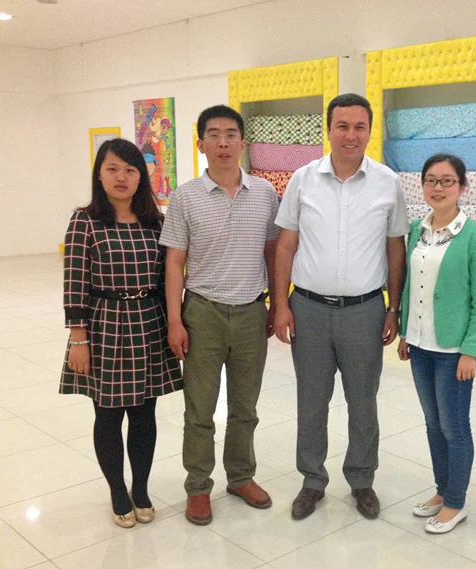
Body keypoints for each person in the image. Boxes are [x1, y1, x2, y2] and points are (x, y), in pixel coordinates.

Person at [273, 93, 410, 520]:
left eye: (359, 127)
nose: (351, 135)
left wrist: (393, 309)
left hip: (364, 312)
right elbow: (285, 246)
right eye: (342, 126)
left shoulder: (388, 182)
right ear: (328, 129)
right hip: (308, 310)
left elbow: (396, 249)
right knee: (311, 401)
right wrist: (280, 305)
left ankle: (362, 479)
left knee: (363, 401)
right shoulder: (302, 180)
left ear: (369, 130)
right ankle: (312, 480)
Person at [160, 105, 279, 526]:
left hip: (251, 313)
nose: (223, 142)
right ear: (201, 144)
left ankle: (241, 477)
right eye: (214, 134)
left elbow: (272, 252)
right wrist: (175, 320)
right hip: (203, 313)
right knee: (200, 409)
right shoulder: (185, 196)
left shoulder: (265, 193)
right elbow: (174, 263)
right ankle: (198, 486)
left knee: (246, 407)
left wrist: (277, 305)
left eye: (231, 134)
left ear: (243, 143)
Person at [60, 138, 183, 528]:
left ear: (141, 177)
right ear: (99, 173)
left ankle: (141, 488)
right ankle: (117, 490)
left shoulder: (156, 221)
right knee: (109, 415)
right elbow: (74, 283)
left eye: (130, 170)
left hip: (149, 323)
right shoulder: (85, 221)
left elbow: (168, 278)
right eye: (112, 168)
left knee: (145, 414)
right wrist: (78, 339)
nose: (121, 177)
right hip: (105, 326)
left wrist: (174, 323)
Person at [396, 154, 476, 534]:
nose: (438, 188)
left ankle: (456, 502)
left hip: (453, 351)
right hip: (420, 345)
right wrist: (405, 333)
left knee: (455, 427)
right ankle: (442, 490)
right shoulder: (415, 230)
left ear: (462, 187)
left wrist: (471, 350)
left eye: (447, 181)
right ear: (422, 185)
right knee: (433, 424)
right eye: (431, 180)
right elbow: (410, 286)